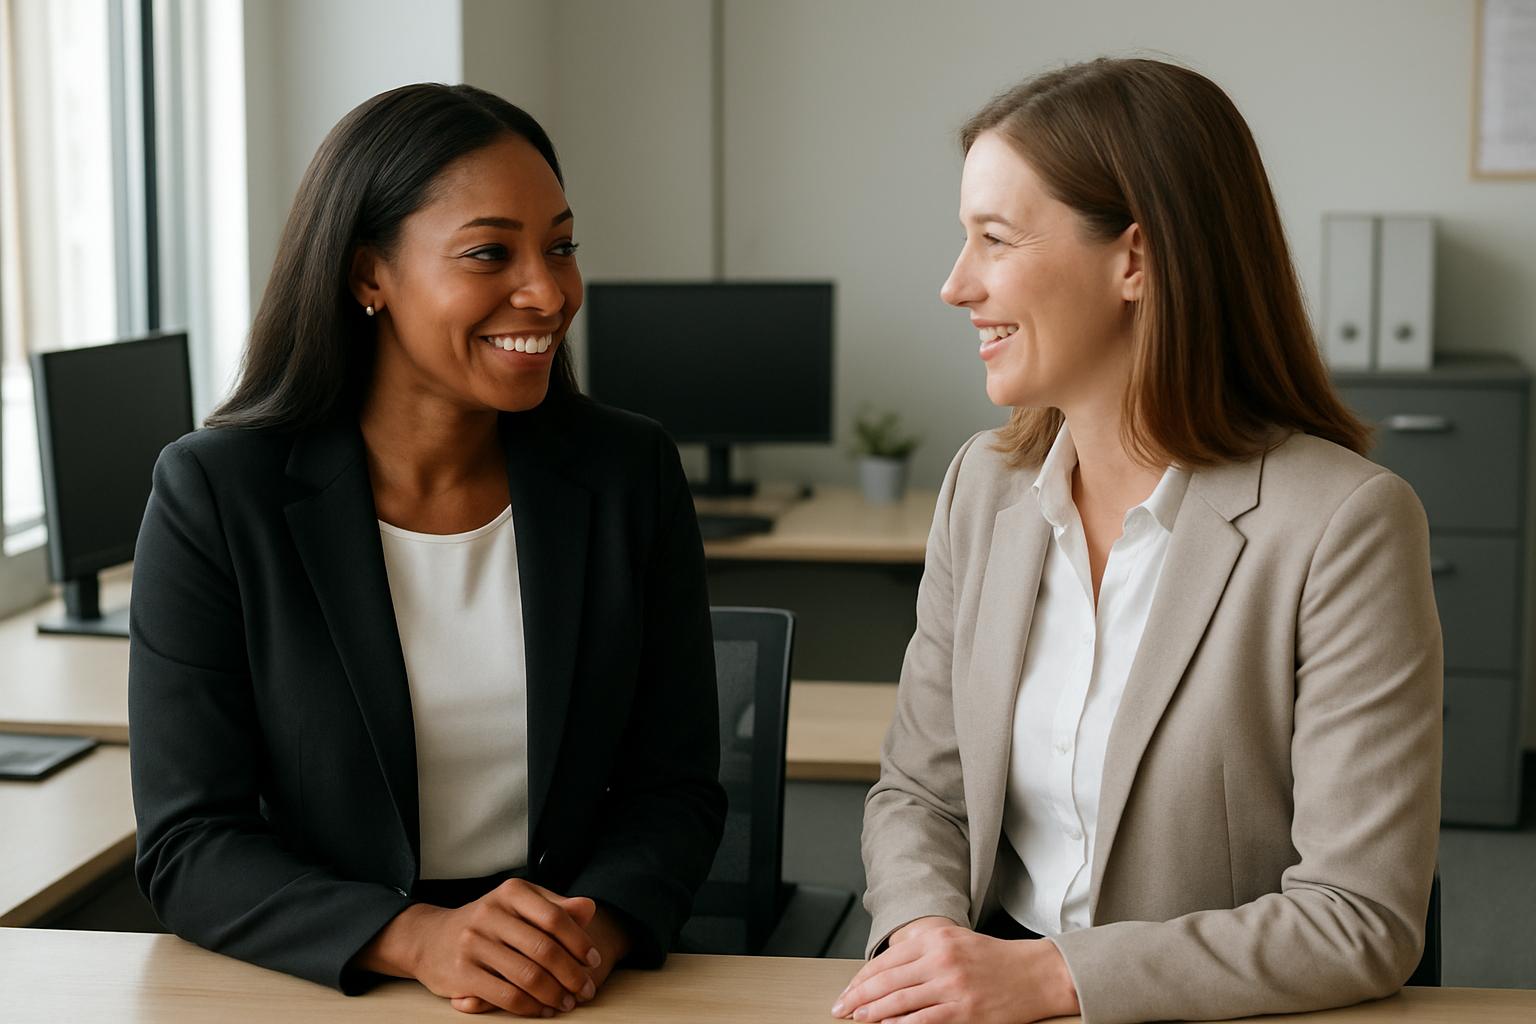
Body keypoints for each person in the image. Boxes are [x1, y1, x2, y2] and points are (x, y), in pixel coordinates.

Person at [837, 59, 1442, 1024]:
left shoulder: (1343, 525)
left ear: (1137, 260)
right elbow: (922, 794)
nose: (956, 285)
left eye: (994, 240)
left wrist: (1050, 978)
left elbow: (1357, 916)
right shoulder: (981, 489)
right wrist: (924, 945)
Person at [129, 84, 726, 1017]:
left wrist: (583, 934)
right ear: (370, 275)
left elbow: (675, 786)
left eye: (561, 246)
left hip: (572, 977)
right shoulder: (217, 492)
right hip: (341, 979)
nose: (548, 289)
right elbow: (189, 841)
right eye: (491, 252)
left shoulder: (627, 471)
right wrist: (418, 940)